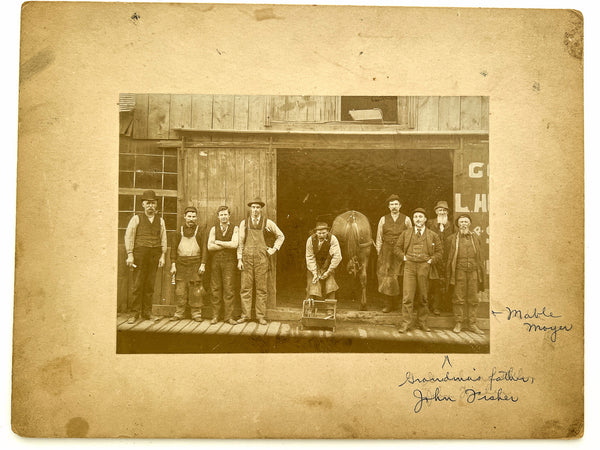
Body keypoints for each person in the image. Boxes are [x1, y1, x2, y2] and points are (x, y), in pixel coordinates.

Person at [393, 208, 442, 333]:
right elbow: (397, 248)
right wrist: (404, 257)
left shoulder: (433, 235)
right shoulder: (406, 233)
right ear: (413, 219)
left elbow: (440, 252)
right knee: (407, 297)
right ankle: (406, 323)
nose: (418, 219)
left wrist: (431, 260)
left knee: (423, 297)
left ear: (425, 219)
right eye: (415, 217)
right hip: (409, 267)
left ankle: (422, 323)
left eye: (420, 216)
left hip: (424, 267)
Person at [237, 198, 285, 325]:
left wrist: (274, 249)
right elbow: (240, 243)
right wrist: (239, 259)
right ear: (250, 208)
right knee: (245, 288)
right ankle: (245, 315)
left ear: (261, 209)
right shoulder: (244, 223)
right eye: (253, 207)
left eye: (258, 207)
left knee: (261, 289)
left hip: (261, 260)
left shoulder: (268, 223)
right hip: (246, 259)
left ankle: (260, 316)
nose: (255, 210)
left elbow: (281, 236)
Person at [124, 190, 167, 323]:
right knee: (137, 284)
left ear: (156, 205)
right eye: (148, 203)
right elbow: (129, 237)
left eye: (153, 203)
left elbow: (163, 238)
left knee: (150, 284)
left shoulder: (160, 220)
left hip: (154, 254)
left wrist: (163, 255)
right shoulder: (136, 218)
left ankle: (147, 313)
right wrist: (130, 254)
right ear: (143, 204)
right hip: (140, 254)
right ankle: (135, 313)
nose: (150, 206)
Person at [446, 214, 485, 335]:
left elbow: (479, 256)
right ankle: (459, 322)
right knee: (459, 297)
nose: (463, 224)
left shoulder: (476, 238)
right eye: (461, 222)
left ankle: (472, 324)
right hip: (459, 271)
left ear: (470, 224)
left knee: (473, 297)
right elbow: (447, 258)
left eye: (466, 222)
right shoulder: (451, 239)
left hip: (473, 271)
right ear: (458, 225)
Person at [375, 194, 412, 313]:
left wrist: (407, 252)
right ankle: (388, 304)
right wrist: (379, 253)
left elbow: (410, 236)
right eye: (392, 204)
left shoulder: (406, 219)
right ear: (388, 207)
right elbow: (379, 237)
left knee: (399, 276)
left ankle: (399, 303)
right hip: (386, 251)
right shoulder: (383, 219)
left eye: (396, 204)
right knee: (385, 276)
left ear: (400, 206)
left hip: (400, 251)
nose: (394, 206)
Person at [169, 206, 207, 321]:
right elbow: (174, 249)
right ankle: (179, 313)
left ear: (197, 218)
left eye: (193, 216)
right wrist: (173, 264)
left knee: (195, 290)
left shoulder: (200, 231)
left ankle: (196, 314)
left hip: (195, 264)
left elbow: (205, 249)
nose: (191, 219)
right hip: (181, 264)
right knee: (180, 289)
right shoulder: (178, 231)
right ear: (185, 217)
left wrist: (203, 263)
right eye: (189, 216)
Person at [207, 206, 239, 325]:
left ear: (229, 215)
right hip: (216, 261)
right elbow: (210, 246)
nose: (224, 217)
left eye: (226, 214)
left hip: (229, 262)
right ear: (218, 216)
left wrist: (218, 242)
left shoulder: (235, 228)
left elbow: (234, 244)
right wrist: (227, 244)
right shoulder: (213, 229)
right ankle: (215, 316)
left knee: (229, 288)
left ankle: (228, 317)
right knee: (215, 288)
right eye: (221, 215)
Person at [427, 200, 455, 315]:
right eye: (439, 210)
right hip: (433, 257)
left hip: (446, 258)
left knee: (444, 282)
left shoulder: (451, 225)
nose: (442, 212)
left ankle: (442, 306)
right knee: (431, 282)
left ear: (447, 212)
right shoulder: (430, 223)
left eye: (444, 210)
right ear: (436, 211)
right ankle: (431, 306)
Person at [305, 222, 342, 300]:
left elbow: (337, 256)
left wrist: (328, 271)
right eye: (319, 233)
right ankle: (310, 305)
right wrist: (314, 272)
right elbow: (309, 257)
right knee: (313, 282)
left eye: (324, 233)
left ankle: (330, 307)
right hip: (315, 264)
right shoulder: (310, 240)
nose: (321, 235)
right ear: (316, 232)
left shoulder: (333, 239)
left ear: (327, 232)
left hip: (328, 264)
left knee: (330, 283)